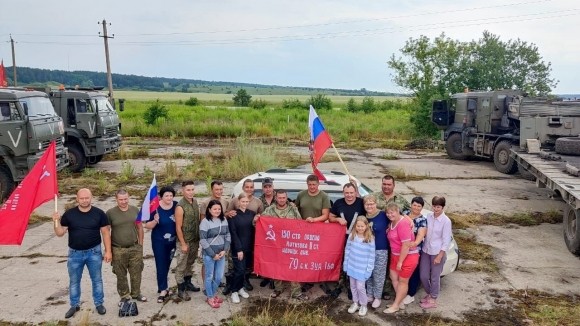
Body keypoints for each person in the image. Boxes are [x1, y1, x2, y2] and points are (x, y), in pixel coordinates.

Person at [52, 188, 111, 319]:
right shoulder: (69, 214)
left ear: (91, 198)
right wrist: (56, 221)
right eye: (82, 198)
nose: (84, 200)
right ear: (77, 199)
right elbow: (60, 233)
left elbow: (106, 233)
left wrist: (108, 251)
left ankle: (99, 303)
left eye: (87, 198)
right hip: (75, 254)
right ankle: (74, 305)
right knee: (74, 281)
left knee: (97, 280)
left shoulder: (99, 214)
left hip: (94, 252)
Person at [261, 190, 307, 300]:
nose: (281, 200)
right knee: (277, 267)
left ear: (287, 198)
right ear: (276, 198)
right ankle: (278, 289)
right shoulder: (270, 210)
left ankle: (296, 292)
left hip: (291, 245)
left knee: (293, 267)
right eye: (279, 198)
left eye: (283, 198)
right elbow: (260, 222)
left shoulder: (293, 209)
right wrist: (256, 218)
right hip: (276, 244)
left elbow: (300, 225)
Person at [372, 174, 410, 301]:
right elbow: (366, 207)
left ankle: (387, 289)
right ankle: (378, 288)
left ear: (394, 185)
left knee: (391, 264)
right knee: (379, 264)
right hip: (378, 237)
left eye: (389, 184)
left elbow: (408, 214)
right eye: (384, 184)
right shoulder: (375, 197)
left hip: (395, 238)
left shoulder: (400, 199)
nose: (386, 186)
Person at [106, 189, 146, 307]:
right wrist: (108, 250)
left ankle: (136, 293)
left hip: (134, 247)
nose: (123, 202)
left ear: (129, 198)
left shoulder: (135, 210)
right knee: (120, 274)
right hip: (118, 249)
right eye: (121, 199)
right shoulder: (110, 213)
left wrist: (140, 245)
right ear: (116, 199)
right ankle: (124, 296)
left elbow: (139, 227)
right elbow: (106, 232)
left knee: (137, 272)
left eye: (125, 199)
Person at [295, 174, 332, 293]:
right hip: (303, 232)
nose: (312, 187)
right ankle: (308, 280)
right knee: (306, 257)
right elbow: (296, 210)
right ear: (307, 184)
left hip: (319, 231)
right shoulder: (301, 195)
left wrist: (313, 220)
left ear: (318, 184)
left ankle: (322, 280)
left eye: (314, 184)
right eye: (310, 184)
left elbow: (326, 215)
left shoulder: (324, 196)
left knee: (320, 256)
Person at [328, 182, 366, 298]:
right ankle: (339, 285)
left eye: (351, 193)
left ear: (355, 193)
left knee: (353, 263)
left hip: (357, 240)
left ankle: (351, 287)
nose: (349, 195)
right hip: (340, 239)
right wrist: (338, 219)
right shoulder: (338, 203)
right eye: (346, 193)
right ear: (343, 193)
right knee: (340, 263)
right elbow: (330, 217)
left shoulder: (361, 203)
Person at [383, 203, 419, 314]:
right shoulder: (392, 222)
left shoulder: (403, 223)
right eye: (388, 213)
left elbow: (406, 245)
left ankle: (395, 305)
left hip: (407, 257)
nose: (389, 215)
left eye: (392, 212)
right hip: (395, 255)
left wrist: (400, 262)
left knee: (403, 281)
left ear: (398, 211)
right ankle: (400, 301)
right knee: (393, 277)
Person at [143, 186, 177, 303]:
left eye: (171, 195)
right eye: (166, 195)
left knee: (167, 263)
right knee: (161, 264)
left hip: (172, 242)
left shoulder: (176, 206)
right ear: (161, 197)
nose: (169, 198)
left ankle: (164, 286)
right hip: (159, 242)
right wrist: (155, 221)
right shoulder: (155, 208)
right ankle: (162, 290)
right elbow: (147, 225)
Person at [420, 196, 452, 309]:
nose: (436, 209)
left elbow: (446, 240)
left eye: (438, 207)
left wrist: (440, 255)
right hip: (426, 250)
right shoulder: (428, 216)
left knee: (434, 277)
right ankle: (430, 293)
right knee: (423, 275)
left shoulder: (446, 221)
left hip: (437, 252)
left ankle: (433, 299)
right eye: (434, 206)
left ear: (443, 207)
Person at [200, 200, 231, 308]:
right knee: (209, 276)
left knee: (218, 277)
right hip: (209, 254)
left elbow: (227, 235)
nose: (217, 211)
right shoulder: (205, 222)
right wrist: (213, 254)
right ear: (209, 210)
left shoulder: (224, 220)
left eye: (219, 209)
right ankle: (210, 297)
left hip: (221, 253)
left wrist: (225, 250)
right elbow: (203, 240)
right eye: (214, 209)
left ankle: (212, 294)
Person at [174, 180, 201, 301]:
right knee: (181, 265)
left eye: (192, 189)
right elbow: (178, 227)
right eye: (188, 190)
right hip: (184, 241)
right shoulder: (180, 207)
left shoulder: (195, 202)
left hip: (195, 240)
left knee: (190, 263)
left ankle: (188, 283)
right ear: (182, 191)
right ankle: (181, 290)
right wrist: (183, 244)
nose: (190, 192)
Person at [227, 192, 256, 303]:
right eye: (242, 201)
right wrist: (239, 249)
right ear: (238, 202)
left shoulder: (252, 214)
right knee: (239, 270)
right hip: (238, 248)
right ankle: (234, 291)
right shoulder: (233, 216)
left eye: (246, 201)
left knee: (244, 270)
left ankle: (240, 288)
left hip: (249, 247)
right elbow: (233, 233)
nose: (244, 203)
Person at [344, 216, 375, 317]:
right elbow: (347, 250)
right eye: (358, 226)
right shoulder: (352, 236)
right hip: (352, 266)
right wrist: (346, 264)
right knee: (353, 286)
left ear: (366, 226)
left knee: (360, 287)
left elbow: (371, 256)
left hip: (362, 269)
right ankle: (355, 303)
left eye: (362, 226)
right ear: (355, 226)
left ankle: (363, 305)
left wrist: (369, 270)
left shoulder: (370, 238)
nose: (360, 228)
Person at [363, 194, 390, 309]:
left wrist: (409, 220)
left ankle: (377, 297)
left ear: (376, 204)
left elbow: (398, 217)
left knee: (378, 274)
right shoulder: (363, 218)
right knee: (368, 273)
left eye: (371, 204)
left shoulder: (384, 215)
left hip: (381, 249)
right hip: (366, 250)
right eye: (367, 204)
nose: (369, 206)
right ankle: (369, 294)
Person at [402, 197, 427, 305]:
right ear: (411, 205)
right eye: (414, 205)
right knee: (403, 271)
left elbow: (421, 234)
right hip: (402, 249)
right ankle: (402, 291)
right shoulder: (405, 213)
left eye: (419, 206)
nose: (416, 207)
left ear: (422, 208)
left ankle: (411, 294)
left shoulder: (422, 220)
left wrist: (414, 244)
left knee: (413, 273)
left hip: (414, 250)